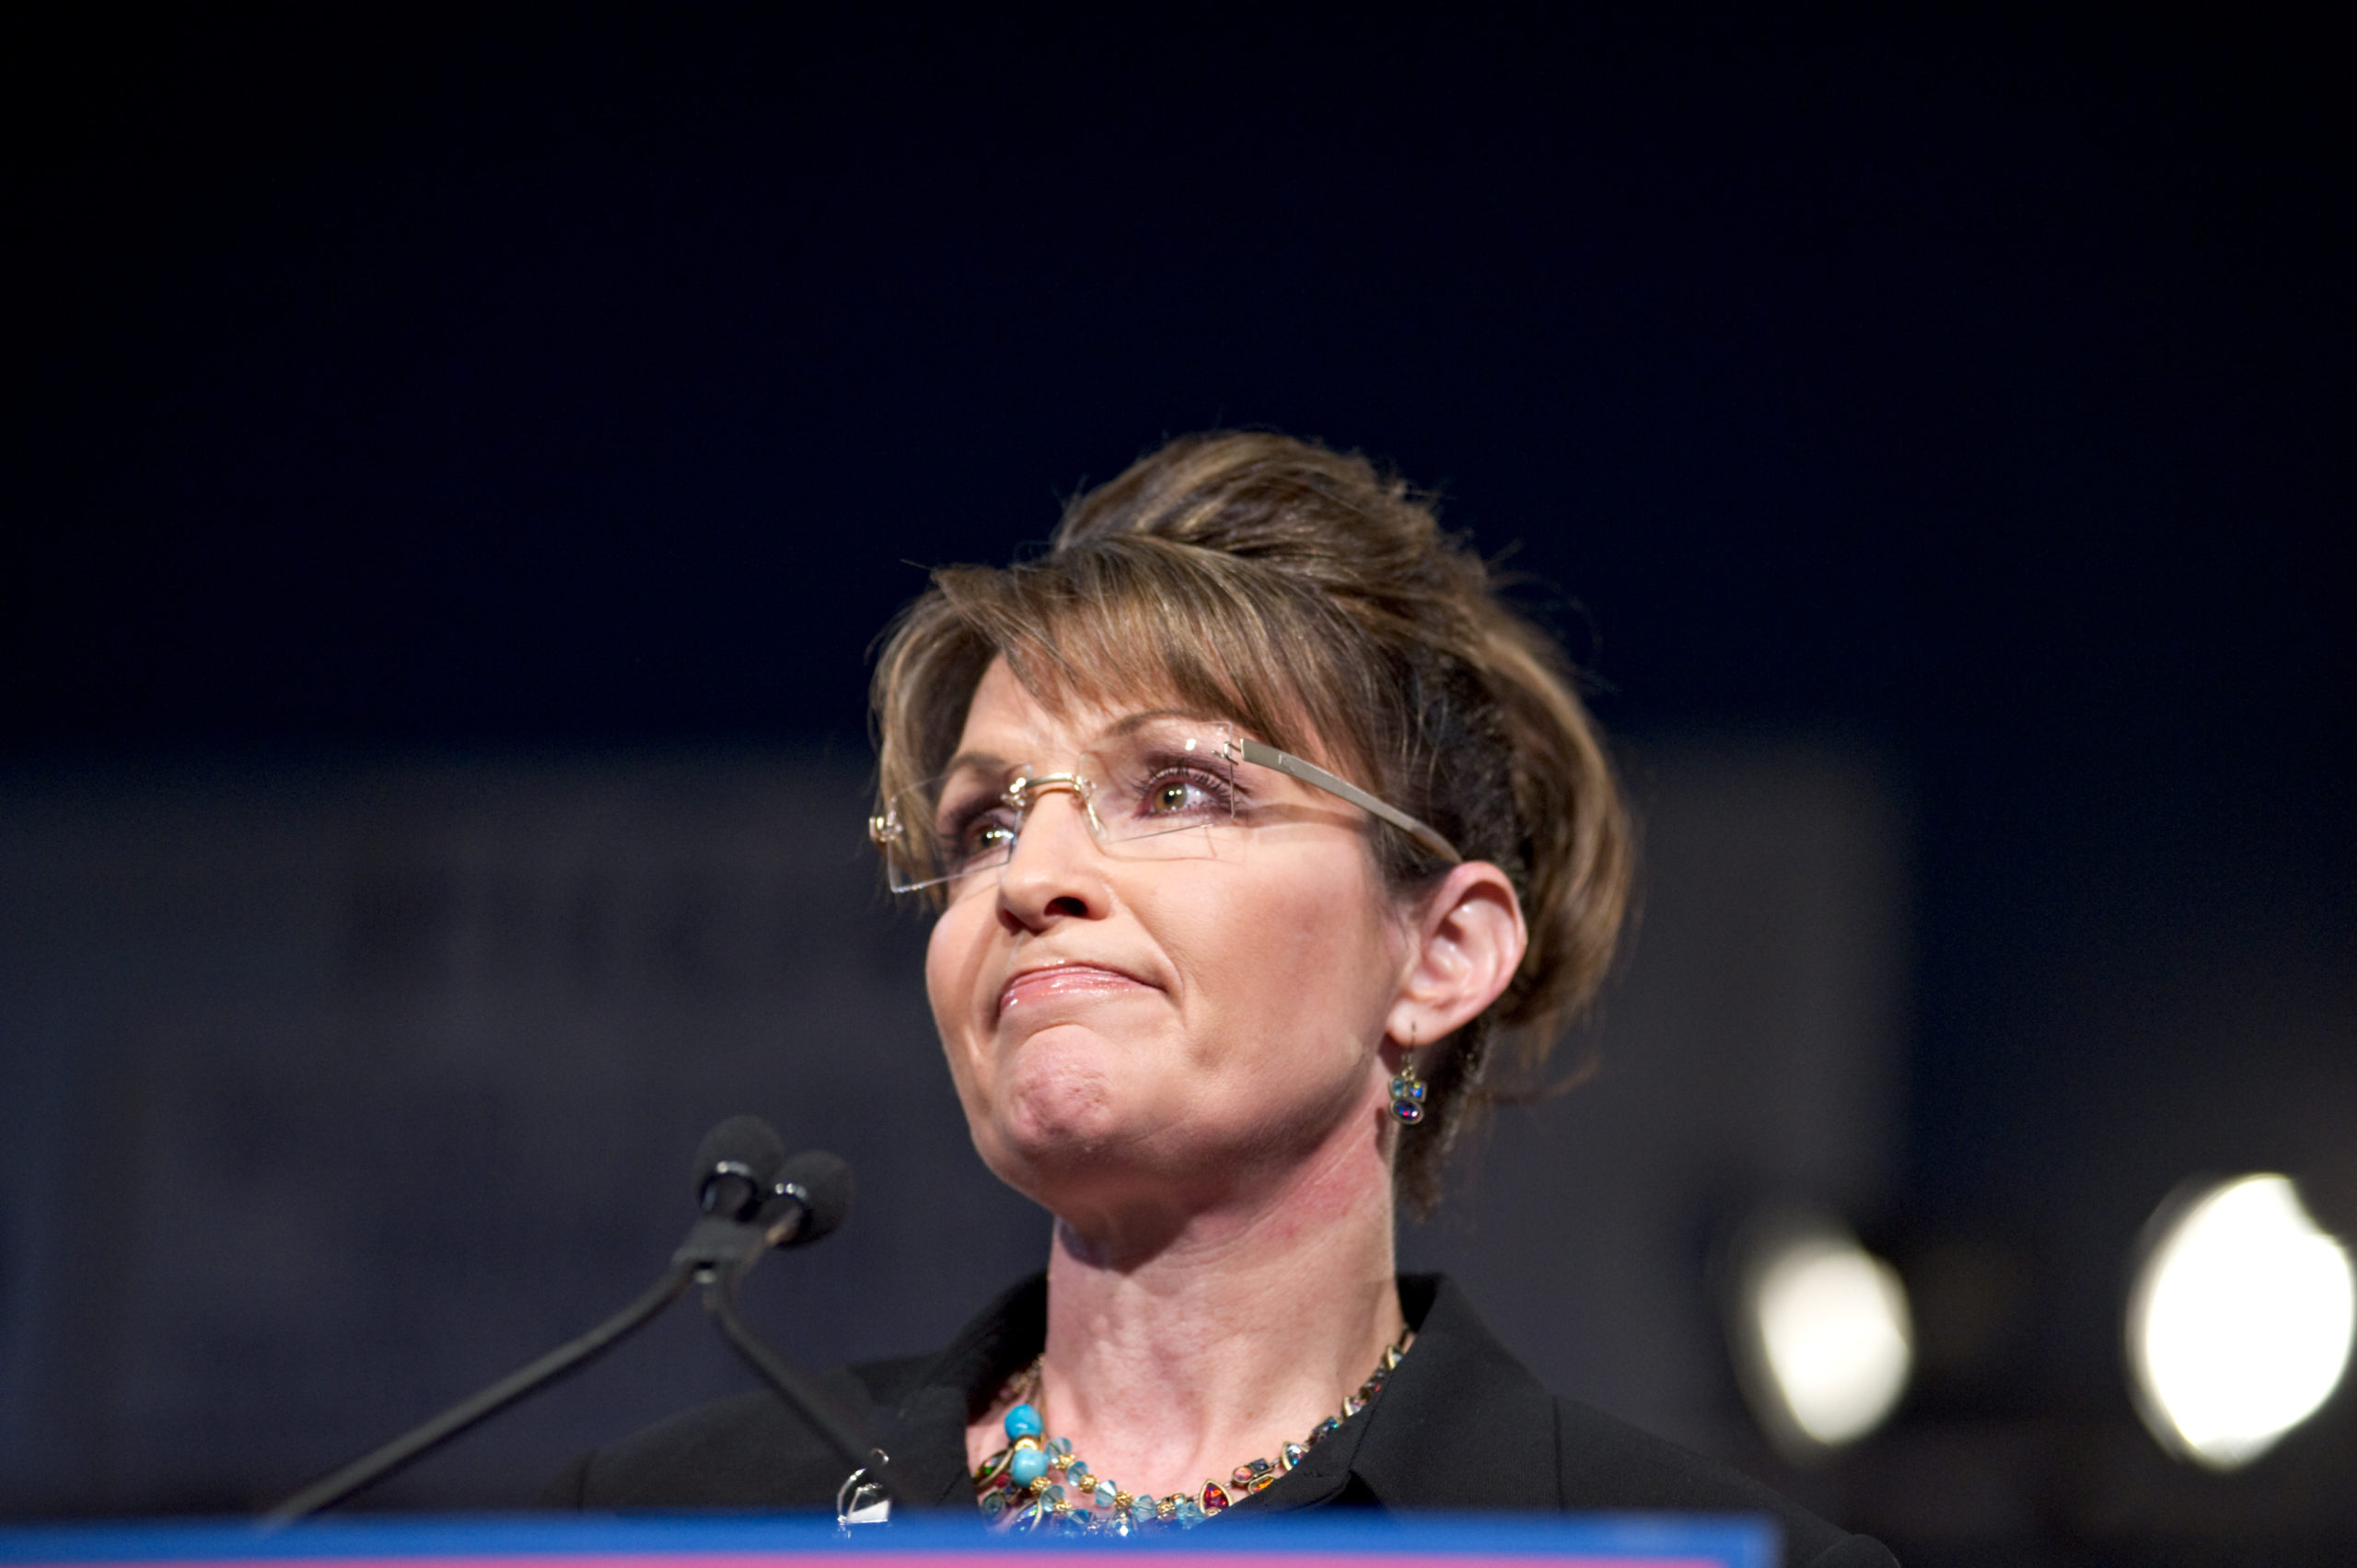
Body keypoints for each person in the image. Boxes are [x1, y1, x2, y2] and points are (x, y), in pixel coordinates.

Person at [541, 433, 1898, 1566]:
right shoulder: (673, 1525)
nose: (1033, 878)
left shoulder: (1682, 1554)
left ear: (1440, 955)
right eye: (982, 825)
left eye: (1181, 790)